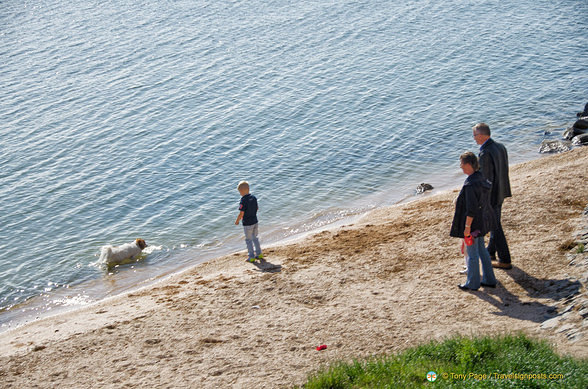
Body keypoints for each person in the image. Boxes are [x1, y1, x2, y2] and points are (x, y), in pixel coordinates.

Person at [450, 152, 497, 290]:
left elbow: (471, 209)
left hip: (475, 224)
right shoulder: (481, 177)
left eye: (462, 164)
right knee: (482, 250)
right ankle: (489, 279)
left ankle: (473, 283)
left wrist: (467, 227)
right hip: (483, 220)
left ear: (469, 164)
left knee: (472, 254)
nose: (460, 167)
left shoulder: (470, 184)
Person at [473, 123, 513, 269]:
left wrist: (480, 198)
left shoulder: (485, 153)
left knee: (495, 225)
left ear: (482, 135)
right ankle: (490, 251)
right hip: (502, 190)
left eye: (475, 136)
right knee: (495, 223)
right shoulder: (500, 146)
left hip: (492, 195)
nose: (474, 139)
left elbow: (486, 178)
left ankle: (505, 259)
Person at [235, 181, 263, 263]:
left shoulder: (243, 200)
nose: (240, 194)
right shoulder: (254, 198)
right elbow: (257, 208)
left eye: (240, 192)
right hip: (255, 221)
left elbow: (241, 213)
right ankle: (259, 253)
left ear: (242, 191)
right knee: (255, 238)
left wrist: (237, 221)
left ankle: (251, 256)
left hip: (247, 223)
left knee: (248, 240)